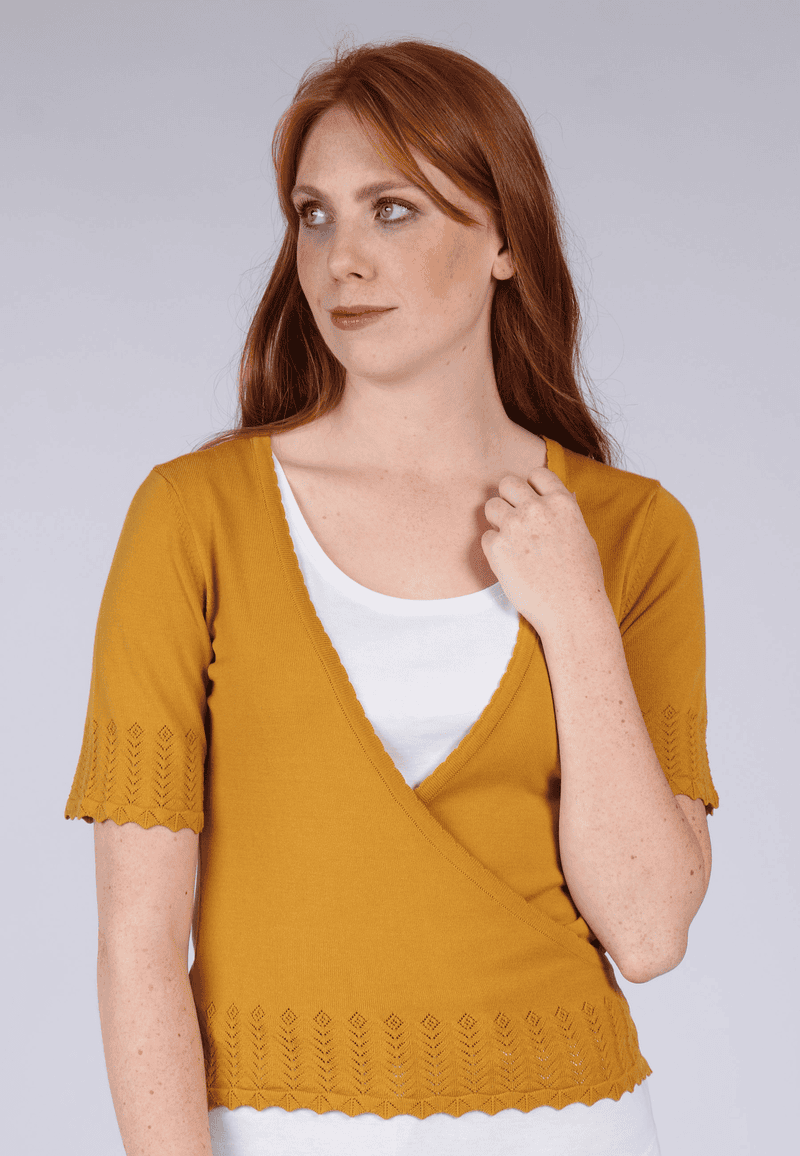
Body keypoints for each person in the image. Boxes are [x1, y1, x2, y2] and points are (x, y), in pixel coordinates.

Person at [65, 35, 718, 1156]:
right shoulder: (193, 518)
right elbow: (139, 943)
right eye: (314, 217)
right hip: (269, 1128)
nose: (340, 261)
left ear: (505, 238)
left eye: (393, 211)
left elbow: (650, 928)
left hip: (575, 1126)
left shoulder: (631, 532)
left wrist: (575, 614)